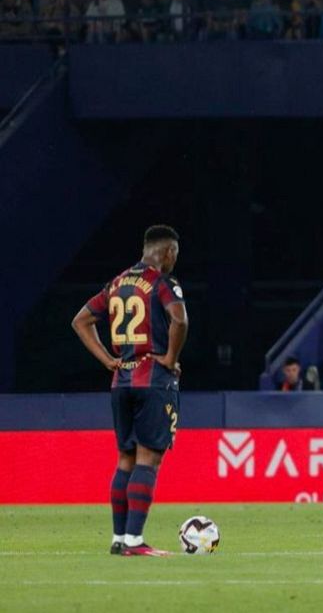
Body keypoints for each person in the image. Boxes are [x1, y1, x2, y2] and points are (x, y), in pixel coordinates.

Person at [69, 225, 189, 556]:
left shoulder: (117, 283)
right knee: (149, 459)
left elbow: (80, 320)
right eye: (175, 254)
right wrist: (170, 358)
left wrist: (108, 359)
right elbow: (180, 320)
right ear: (168, 252)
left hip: (121, 381)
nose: (174, 260)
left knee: (125, 459)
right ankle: (135, 541)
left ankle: (119, 538)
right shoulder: (163, 283)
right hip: (153, 381)